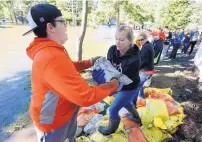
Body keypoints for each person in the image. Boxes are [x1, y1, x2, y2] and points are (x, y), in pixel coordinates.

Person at [23, 4, 121, 142]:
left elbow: (67, 69)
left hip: (64, 111)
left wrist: (89, 62)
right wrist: (114, 83)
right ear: (50, 27)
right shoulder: (51, 56)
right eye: (62, 21)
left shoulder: (52, 50)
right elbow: (85, 97)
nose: (66, 25)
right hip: (52, 121)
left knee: (69, 138)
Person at [97, 25, 142, 135]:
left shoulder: (134, 59)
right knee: (126, 102)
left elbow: (122, 80)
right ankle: (136, 117)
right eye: (116, 38)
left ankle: (110, 130)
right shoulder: (112, 49)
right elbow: (109, 66)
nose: (118, 42)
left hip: (130, 86)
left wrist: (107, 88)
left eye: (121, 40)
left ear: (130, 41)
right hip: (120, 83)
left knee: (113, 109)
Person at [136, 31, 155, 98]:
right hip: (150, 69)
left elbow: (143, 61)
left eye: (142, 39)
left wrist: (136, 68)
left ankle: (140, 98)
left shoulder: (145, 47)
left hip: (146, 72)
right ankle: (140, 97)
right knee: (139, 85)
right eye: (139, 40)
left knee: (137, 85)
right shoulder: (149, 45)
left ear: (146, 38)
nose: (140, 41)